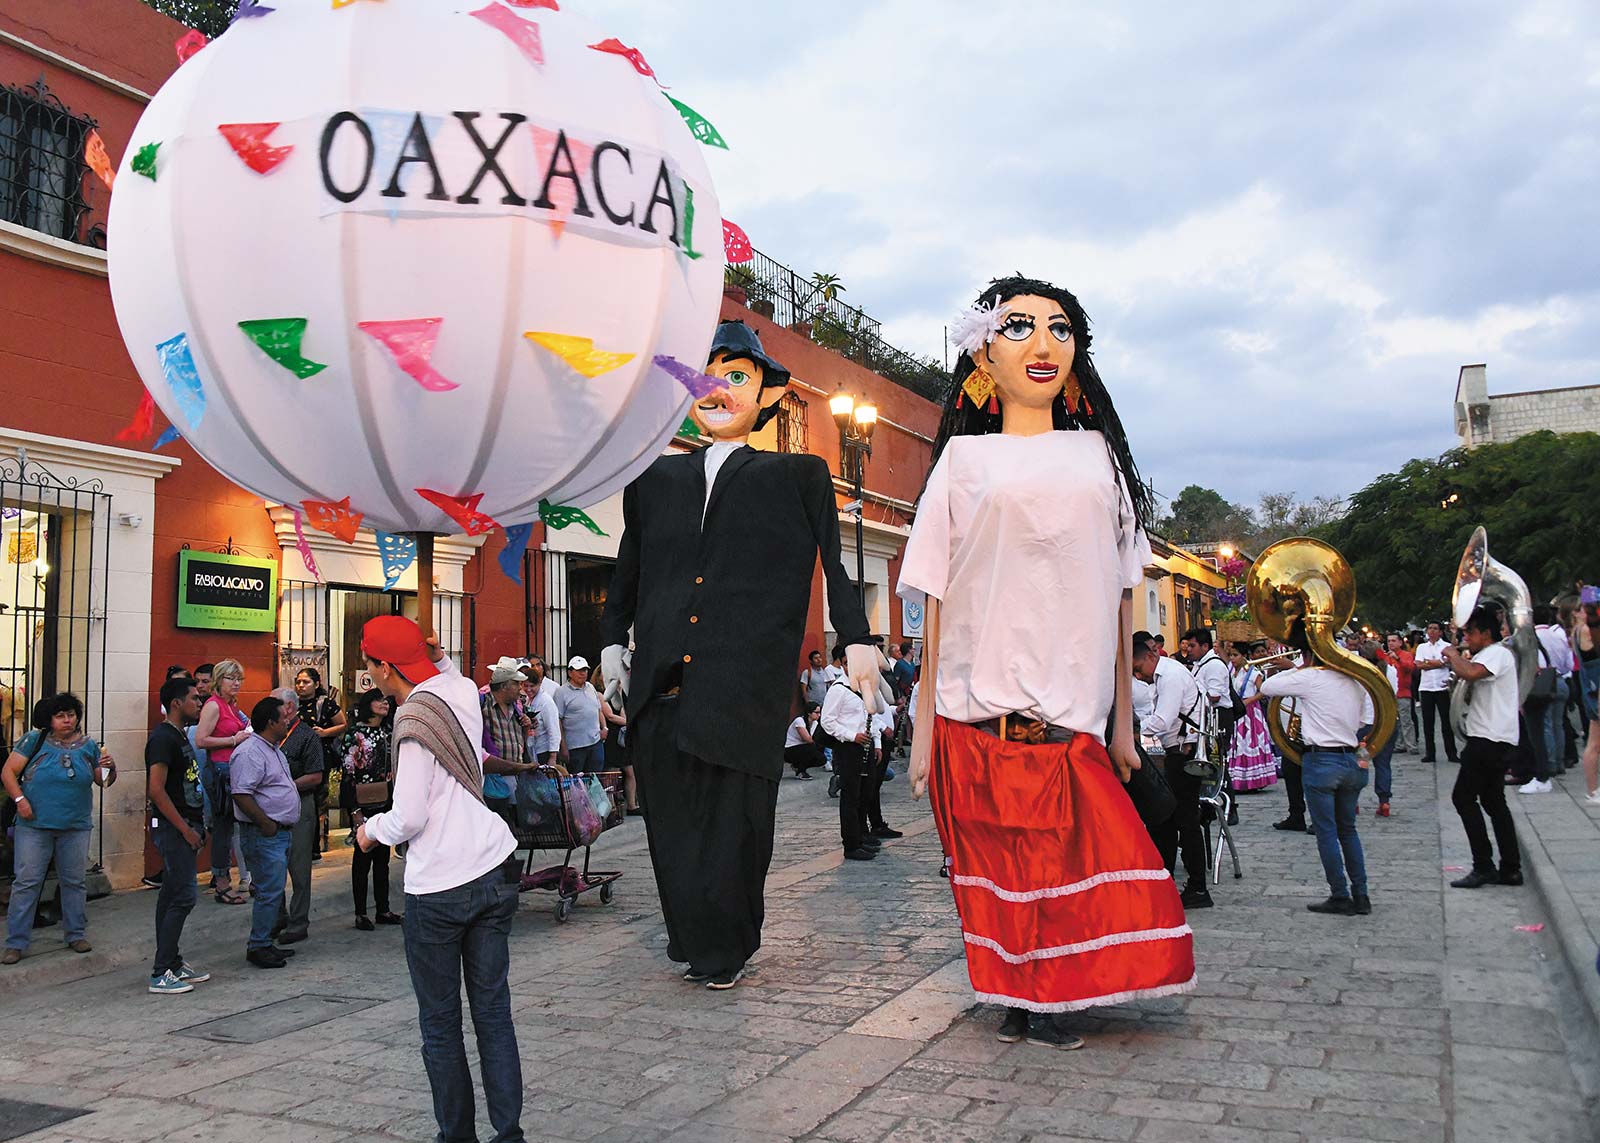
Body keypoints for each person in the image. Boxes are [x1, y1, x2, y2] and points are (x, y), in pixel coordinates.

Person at [902, 277, 1192, 1050]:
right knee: (1000, 877)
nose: (1041, 345)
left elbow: (1126, 591)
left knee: (1067, 874)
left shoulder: (1099, 461)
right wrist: (924, 724)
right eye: (1019, 326)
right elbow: (931, 596)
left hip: (1072, 721)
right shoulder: (961, 462)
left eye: (1059, 330)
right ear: (982, 358)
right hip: (976, 714)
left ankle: (1057, 995)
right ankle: (1016, 996)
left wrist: (1123, 723)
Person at [600, 319, 878, 992]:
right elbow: (627, 566)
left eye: (736, 376)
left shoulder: (797, 474)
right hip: (662, 686)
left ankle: (726, 943)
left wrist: (858, 635)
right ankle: (694, 938)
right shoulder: (653, 480)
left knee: (735, 823)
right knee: (670, 822)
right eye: (705, 374)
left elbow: (831, 559)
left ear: (766, 394)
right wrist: (611, 638)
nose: (717, 388)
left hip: (742, 684)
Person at [355, 615, 524, 1143]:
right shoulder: (460, 693)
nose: (369, 677)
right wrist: (438, 652)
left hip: (440, 888)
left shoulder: (411, 725)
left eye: (369, 666)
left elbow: (408, 818)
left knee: (441, 1023)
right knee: (493, 1011)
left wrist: (367, 833)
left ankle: (458, 1136)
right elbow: (447, 673)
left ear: (385, 668)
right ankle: (509, 1132)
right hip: (493, 866)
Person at [2, 694, 115, 964]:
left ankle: (75, 933)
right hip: (34, 825)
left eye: (71, 715)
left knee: (74, 881)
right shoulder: (33, 740)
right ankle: (16, 942)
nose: (67, 720)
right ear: (50, 719)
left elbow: (104, 782)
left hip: (75, 825)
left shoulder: (88, 746)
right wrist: (20, 800)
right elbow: (8, 772)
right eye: (61, 716)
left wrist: (110, 768)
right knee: (27, 882)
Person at [1260, 653, 1374, 915]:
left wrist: (1297, 668)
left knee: (1327, 832)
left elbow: (1267, 687)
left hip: (1322, 758)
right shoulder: (1355, 680)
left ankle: (1340, 895)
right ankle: (1362, 894)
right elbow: (1362, 722)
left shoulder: (1311, 676)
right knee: (1348, 830)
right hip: (1352, 757)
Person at [1442, 607, 1524, 888]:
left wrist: (1453, 656)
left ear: (1485, 634)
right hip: (1493, 736)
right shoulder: (1489, 654)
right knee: (1493, 802)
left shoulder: (1496, 654)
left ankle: (1484, 865)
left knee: (1463, 798)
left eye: (1470, 632)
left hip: (1489, 738)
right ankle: (1510, 868)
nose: (1467, 637)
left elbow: (1472, 673)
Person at [1133, 636, 1210, 905]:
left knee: (1184, 819)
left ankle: (1198, 887)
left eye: (1138, 668)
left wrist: (1130, 732)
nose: (1138, 676)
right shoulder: (1164, 674)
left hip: (1184, 753)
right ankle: (1164, 876)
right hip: (1177, 751)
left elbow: (1164, 720)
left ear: (1150, 657)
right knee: (1166, 816)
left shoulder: (1170, 676)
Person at [146, 676, 209, 994]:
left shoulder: (180, 736)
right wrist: (184, 829)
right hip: (174, 829)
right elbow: (156, 790)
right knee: (183, 896)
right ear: (176, 703)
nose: (200, 703)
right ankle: (160, 972)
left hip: (188, 825)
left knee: (171, 894)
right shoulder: (162, 739)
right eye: (195, 698)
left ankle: (171, 961)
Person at [230, 695, 301, 969]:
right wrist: (265, 823)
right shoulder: (250, 752)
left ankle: (266, 941)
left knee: (274, 890)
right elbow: (241, 793)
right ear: (270, 722)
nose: (288, 722)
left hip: (279, 832)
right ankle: (258, 945)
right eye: (283, 718)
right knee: (268, 891)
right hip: (264, 834)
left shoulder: (273, 750)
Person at [341, 689, 402, 930]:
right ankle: (360, 913)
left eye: (386, 700)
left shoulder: (390, 732)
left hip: (386, 801)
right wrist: (354, 812)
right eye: (378, 700)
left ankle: (383, 908)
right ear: (368, 705)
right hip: (362, 802)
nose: (384, 704)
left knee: (383, 859)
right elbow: (348, 773)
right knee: (362, 857)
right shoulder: (355, 733)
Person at [268, 686, 324, 946]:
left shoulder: (306, 736)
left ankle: (299, 922)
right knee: (273, 865)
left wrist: (285, 786)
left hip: (300, 805)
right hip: (272, 808)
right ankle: (276, 916)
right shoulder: (268, 734)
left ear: (288, 707)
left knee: (299, 868)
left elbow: (315, 775)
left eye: (273, 703)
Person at [195, 659, 252, 905]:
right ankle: (221, 882)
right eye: (231, 678)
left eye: (239, 679)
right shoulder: (213, 706)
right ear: (220, 680)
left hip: (234, 770)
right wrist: (233, 740)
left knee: (235, 827)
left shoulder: (231, 705)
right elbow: (201, 739)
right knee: (223, 829)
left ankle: (237, 878)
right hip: (220, 772)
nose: (237, 683)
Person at [821, 673, 876, 860]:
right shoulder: (839, 689)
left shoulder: (863, 687)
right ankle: (851, 845)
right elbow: (827, 721)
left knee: (864, 794)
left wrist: (875, 742)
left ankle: (860, 836)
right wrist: (852, 736)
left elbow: (869, 715)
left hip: (864, 746)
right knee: (850, 797)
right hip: (848, 747)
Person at [293, 668, 345, 862]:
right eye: (298, 682)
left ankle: (315, 846)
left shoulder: (326, 704)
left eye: (305, 682)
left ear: (316, 684)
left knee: (316, 804)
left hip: (320, 759)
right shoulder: (291, 704)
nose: (301, 685)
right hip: (296, 760)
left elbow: (342, 725)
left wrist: (324, 732)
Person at [481, 662, 536, 825]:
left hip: (516, 776)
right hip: (494, 779)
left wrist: (526, 728)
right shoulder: (483, 704)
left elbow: (522, 742)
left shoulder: (517, 709)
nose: (521, 689)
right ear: (504, 686)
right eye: (516, 684)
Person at [1225, 643, 1277, 792]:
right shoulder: (1230, 671)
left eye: (1235, 655)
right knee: (1236, 744)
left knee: (1249, 742)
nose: (1232, 658)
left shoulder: (1254, 673)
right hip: (1236, 710)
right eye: (1231, 655)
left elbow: (1263, 691)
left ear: (1244, 656)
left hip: (1250, 713)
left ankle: (1254, 779)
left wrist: (1249, 700)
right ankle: (1237, 780)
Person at [1414, 622, 1458, 765]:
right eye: (1430, 629)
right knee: (1428, 722)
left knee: (1446, 722)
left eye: (1435, 629)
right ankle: (1430, 753)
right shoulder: (1422, 647)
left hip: (1441, 686)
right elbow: (1419, 665)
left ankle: (1451, 752)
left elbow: (1448, 662)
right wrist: (1437, 662)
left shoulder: (1445, 646)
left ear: (1440, 632)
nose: (1432, 631)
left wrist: (1432, 663)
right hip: (1426, 687)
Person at [554, 657, 606, 773]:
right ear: (570, 672)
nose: (583, 673)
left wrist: (604, 728)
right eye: (579, 670)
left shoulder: (590, 687)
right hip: (575, 747)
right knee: (577, 782)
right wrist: (563, 747)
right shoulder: (561, 692)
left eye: (585, 670)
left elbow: (598, 709)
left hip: (595, 743)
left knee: (596, 779)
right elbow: (558, 721)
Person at [1376, 634, 1417, 754]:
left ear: (1400, 642)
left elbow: (1410, 668)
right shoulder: (1386, 657)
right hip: (1390, 692)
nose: (1391, 643)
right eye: (1389, 641)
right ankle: (1399, 744)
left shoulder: (1406, 655)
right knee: (1394, 721)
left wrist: (1398, 659)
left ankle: (1411, 745)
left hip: (1402, 691)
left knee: (1406, 720)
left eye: (1394, 641)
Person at [784, 702, 824, 779]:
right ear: (809, 713)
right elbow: (808, 739)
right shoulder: (799, 721)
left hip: (803, 748)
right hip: (790, 749)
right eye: (816, 712)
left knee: (821, 759)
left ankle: (798, 766)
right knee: (812, 748)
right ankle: (801, 771)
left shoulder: (815, 723)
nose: (819, 715)